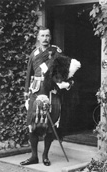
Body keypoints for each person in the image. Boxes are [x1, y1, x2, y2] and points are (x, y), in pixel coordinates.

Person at [20, 26, 81, 166]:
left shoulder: (56, 52)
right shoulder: (34, 54)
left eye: (47, 36)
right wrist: (25, 93)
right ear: (38, 37)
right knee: (32, 124)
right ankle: (34, 156)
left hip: (51, 92)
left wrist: (65, 82)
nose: (45, 38)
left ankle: (45, 156)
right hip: (36, 92)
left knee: (50, 124)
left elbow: (64, 70)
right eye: (42, 36)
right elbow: (28, 74)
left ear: (50, 37)